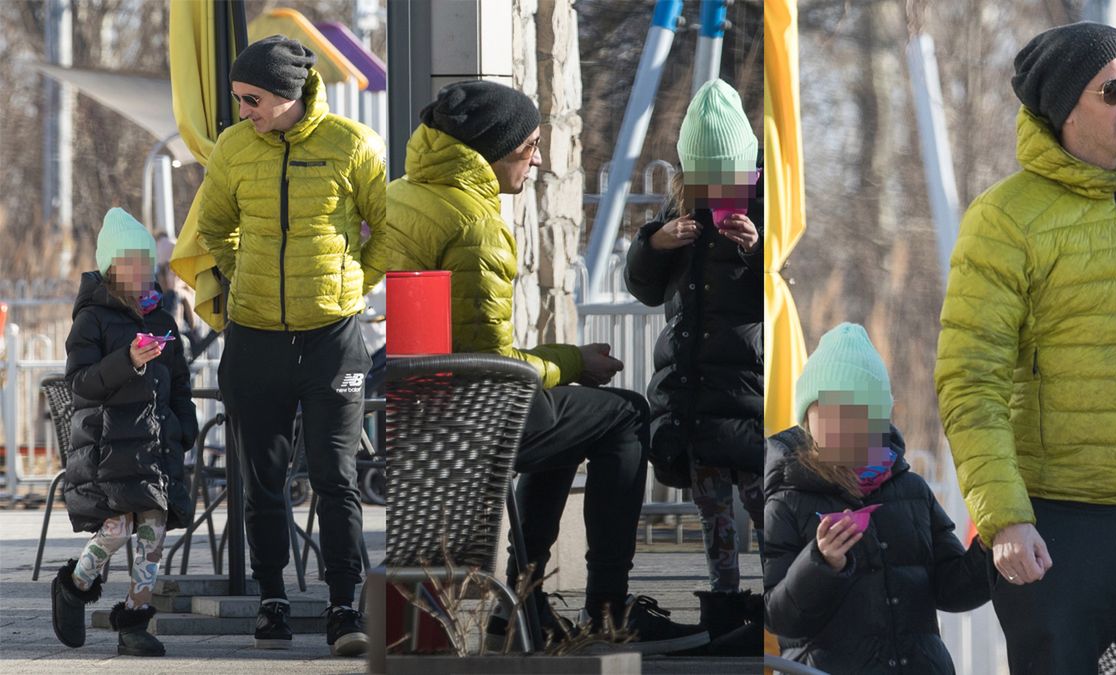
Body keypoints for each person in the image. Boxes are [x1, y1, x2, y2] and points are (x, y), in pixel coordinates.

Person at [383, 80, 709, 654]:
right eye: (529, 145)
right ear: (491, 149)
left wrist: (559, 371)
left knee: (563, 418)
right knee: (625, 414)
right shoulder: (476, 226)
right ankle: (606, 608)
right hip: (466, 416)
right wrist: (574, 361)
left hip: (415, 410)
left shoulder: (405, 194)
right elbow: (493, 368)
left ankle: (524, 605)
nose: (539, 159)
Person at [935, 22, 1116, 674]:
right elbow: (971, 380)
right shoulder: (1003, 220)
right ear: (1063, 108)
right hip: (1059, 528)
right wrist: (1004, 520)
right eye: (1115, 89)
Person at [195, 35, 388, 656]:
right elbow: (214, 226)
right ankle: (271, 599)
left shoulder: (352, 144)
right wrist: (243, 276)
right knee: (262, 478)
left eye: (251, 99)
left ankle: (343, 605)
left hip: (332, 338)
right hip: (254, 337)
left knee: (336, 477)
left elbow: (388, 230)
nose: (242, 110)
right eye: (237, 99)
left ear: (287, 93)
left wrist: (353, 282)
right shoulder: (232, 147)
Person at [624, 78, 764, 654]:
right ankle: (724, 599)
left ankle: (781, 598)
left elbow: (781, 294)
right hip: (692, 391)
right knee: (712, 512)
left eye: (727, 179)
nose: (716, 192)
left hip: (750, 389)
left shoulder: (766, 209)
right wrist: (653, 244)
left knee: (766, 502)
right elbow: (647, 291)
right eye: (705, 180)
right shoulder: (674, 212)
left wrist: (757, 248)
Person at [765, 323, 990, 673]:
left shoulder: (912, 491)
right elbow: (779, 619)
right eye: (828, 410)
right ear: (807, 418)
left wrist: (990, 549)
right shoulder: (786, 500)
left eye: (858, 411)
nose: (843, 424)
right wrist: (821, 564)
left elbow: (954, 591)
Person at [51, 207, 198, 657]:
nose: (143, 270)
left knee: (154, 533)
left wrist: (184, 427)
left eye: (147, 260)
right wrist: (128, 361)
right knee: (115, 530)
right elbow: (79, 384)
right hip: (110, 447)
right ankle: (74, 586)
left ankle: (135, 621)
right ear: (112, 265)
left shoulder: (162, 321)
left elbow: (178, 385)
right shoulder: (92, 320)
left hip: (154, 448)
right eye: (131, 260)